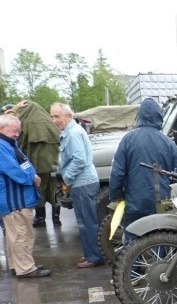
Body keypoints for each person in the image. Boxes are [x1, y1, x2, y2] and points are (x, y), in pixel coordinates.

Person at [109, 98, 177, 242]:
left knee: (131, 242)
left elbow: (117, 173)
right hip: (161, 203)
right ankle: (161, 263)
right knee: (161, 238)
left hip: (135, 202)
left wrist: (117, 195)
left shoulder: (127, 140)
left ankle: (133, 265)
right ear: (159, 116)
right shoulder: (169, 143)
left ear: (140, 116)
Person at [50, 102, 104, 268]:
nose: (54, 120)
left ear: (69, 115)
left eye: (57, 116)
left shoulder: (73, 134)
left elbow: (79, 160)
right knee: (85, 221)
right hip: (83, 182)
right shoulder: (71, 131)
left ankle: (94, 257)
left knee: (87, 222)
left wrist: (66, 177)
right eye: (52, 116)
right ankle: (91, 254)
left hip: (83, 183)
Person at [0, 114, 51, 278]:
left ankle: (19, 265)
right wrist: (32, 178)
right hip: (15, 199)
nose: (17, 134)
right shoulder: (1, 146)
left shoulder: (8, 143)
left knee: (16, 235)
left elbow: (22, 164)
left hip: (18, 198)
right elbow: (14, 170)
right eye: (14, 131)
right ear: (2, 128)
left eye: (18, 131)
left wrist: (32, 174)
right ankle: (26, 269)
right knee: (22, 234)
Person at [6, 101, 61, 228]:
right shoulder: (51, 122)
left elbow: (18, 141)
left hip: (37, 165)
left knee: (39, 191)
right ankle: (56, 220)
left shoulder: (25, 123)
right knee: (54, 191)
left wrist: (16, 108)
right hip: (54, 163)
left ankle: (40, 219)